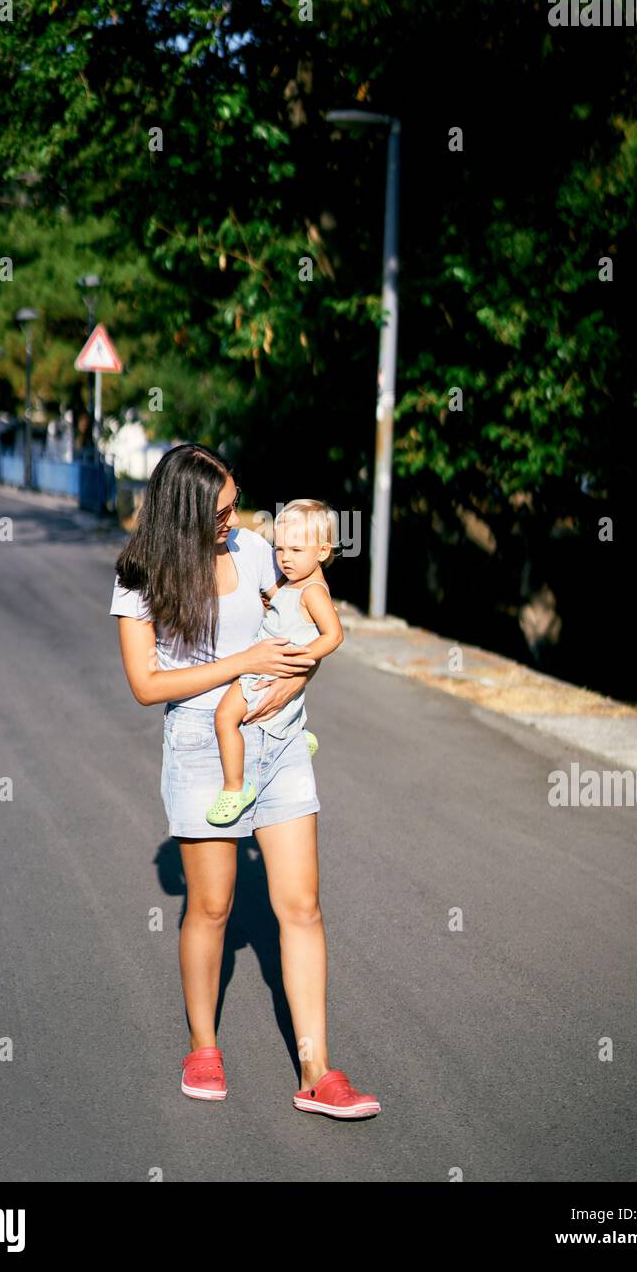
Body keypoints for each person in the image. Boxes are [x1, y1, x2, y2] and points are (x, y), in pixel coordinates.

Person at [109, 443, 381, 1119]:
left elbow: (302, 627)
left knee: (303, 905)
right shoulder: (140, 576)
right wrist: (244, 661)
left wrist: (291, 677)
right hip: (203, 746)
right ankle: (204, 1045)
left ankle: (316, 1067)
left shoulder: (257, 552)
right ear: (187, 511)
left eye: (236, 501)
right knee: (212, 907)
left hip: (282, 738)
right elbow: (147, 686)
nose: (235, 516)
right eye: (223, 508)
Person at [207, 499, 344, 827]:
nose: (285, 558)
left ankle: (235, 787)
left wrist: (298, 659)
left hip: (268, 670)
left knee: (225, 717)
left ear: (323, 552)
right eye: (280, 548)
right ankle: (296, 736)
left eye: (296, 550)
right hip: (264, 665)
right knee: (253, 720)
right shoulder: (291, 583)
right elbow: (283, 610)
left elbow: (334, 635)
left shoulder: (313, 591)